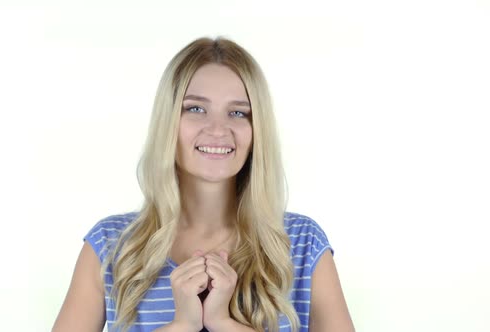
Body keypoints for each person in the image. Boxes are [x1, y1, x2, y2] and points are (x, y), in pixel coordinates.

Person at [52, 37, 354, 332]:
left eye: (238, 112)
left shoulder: (302, 244)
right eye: (196, 108)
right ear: (168, 120)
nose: (217, 129)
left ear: (256, 129)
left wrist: (223, 323)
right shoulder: (111, 245)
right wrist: (182, 325)